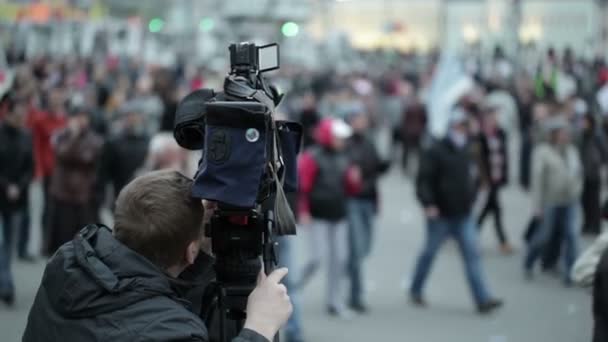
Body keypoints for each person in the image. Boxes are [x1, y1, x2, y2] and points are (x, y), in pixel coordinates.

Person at [23, 170, 292, 341]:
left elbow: (139, 293)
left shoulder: (67, 263)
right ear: (190, 251)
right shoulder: (173, 331)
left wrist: (197, 246)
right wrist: (259, 327)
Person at [409, 108, 503, 314]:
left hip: (463, 213)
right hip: (440, 214)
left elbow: (476, 173)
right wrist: (428, 204)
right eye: (460, 125)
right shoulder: (435, 150)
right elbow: (423, 181)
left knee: (472, 255)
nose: (463, 129)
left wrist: (476, 192)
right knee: (429, 253)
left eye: (465, 125)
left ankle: (482, 298)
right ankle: (415, 288)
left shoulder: (469, 147)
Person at [298, 117, 360, 318]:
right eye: (338, 136)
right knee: (316, 258)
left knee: (339, 259)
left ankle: (335, 301)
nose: (342, 140)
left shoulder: (344, 157)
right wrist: (304, 211)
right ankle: (292, 287)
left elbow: (351, 189)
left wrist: (354, 181)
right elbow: (303, 188)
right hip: (317, 216)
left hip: (338, 215)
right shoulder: (312, 157)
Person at [525, 116, 582, 285]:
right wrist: (537, 206)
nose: (565, 135)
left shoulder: (572, 151)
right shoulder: (542, 152)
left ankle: (571, 273)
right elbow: (537, 181)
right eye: (562, 133)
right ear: (553, 134)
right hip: (550, 200)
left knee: (571, 235)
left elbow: (579, 173)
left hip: (569, 200)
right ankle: (529, 260)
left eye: (567, 132)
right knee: (544, 235)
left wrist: (577, 190)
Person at [345, 107, 388, 313]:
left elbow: (378, 166)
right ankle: (356, 295)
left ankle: (349, 269)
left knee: (365, 247)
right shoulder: (345, 143)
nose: (362, 122)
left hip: (368, 200)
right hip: (352, 200)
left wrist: (386, 163)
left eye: (363, 119)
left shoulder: (369, 142)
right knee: (356, 249)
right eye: (358, 119)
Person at [46, 105, 103, 255]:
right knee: (63, 233)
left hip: (83, 193)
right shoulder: (64, 136)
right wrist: (74, 137)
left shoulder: (95, 139)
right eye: (77, 117)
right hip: (63, 192)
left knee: (81, 234)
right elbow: (62, 154)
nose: (80, 121)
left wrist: (74, 152)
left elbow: (88, 158)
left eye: (84, 117)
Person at [0, 97, 34, 306]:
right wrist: (6, 186)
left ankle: (5, 281)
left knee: (8, 244)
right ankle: (6, 284)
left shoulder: (26, 136)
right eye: (17, 114)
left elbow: (30, 167)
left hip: (18, 199)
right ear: (8, 113)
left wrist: (19, 186)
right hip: (1, 193)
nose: (21, 118)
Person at [476, 104, 513, 254]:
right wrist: (482, 180)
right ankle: (503, 241)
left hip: (497, 177)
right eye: (491, 117)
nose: (494, 120)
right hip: (486, 179)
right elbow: (478, 160)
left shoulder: (500, 133)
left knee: (489, 210)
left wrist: (505, 176)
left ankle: (470, 237)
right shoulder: (480, 136)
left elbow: (504, 156)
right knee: (495, 210)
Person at [101, 101, 150, 203]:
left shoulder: (148, 140)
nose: (133, 119)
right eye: (130, 116)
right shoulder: (114, 141)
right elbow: (105, 172)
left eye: (136, 115)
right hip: (119, 193)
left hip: (142, 194)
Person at [578, 113, 607, 235]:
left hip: (594, 173)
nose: (583, 124)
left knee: (594, 201)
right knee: (584, 200)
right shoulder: (582, 135)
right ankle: (587, 224)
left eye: (585, 121)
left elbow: (604, 152)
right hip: (583, 172)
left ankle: (596, 227)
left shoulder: (597, 135)